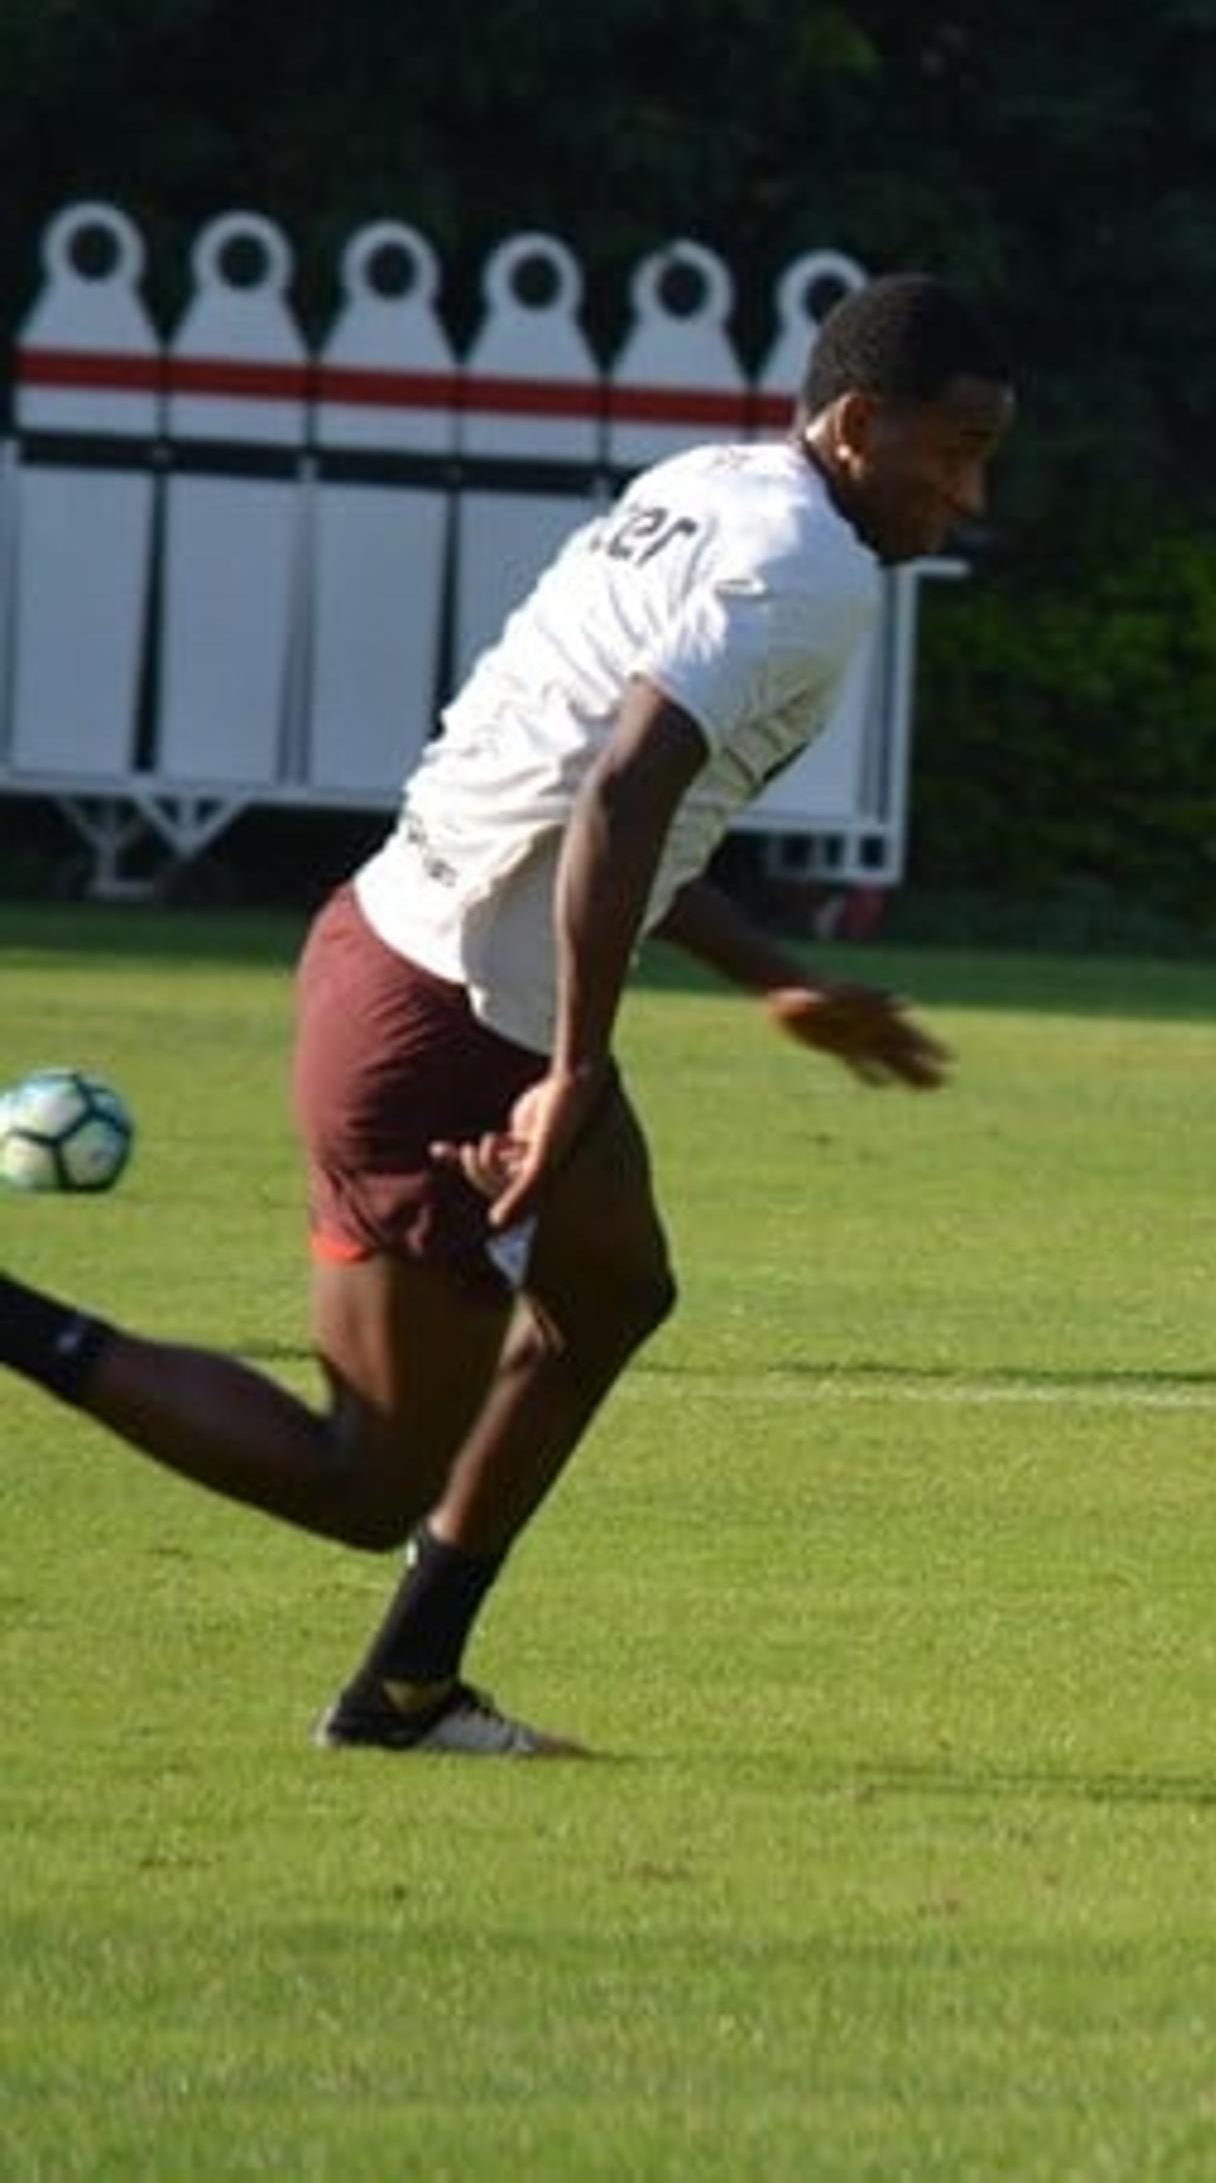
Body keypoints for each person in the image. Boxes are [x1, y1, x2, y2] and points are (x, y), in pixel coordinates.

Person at [0, 274, 1015, 1755]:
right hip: (442, 1030)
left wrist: (773, 977)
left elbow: (590, 802)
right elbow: (618, 796)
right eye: (956, 449)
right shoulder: (811, 572)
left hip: (420, 961)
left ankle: (409, 1685)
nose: (972, 495)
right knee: (360, 1481)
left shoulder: (716, 487)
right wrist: (573, 1070)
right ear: (859, 424)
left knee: (612, 1291)